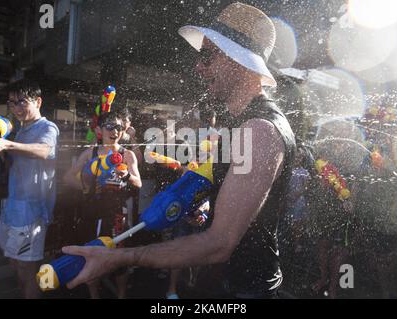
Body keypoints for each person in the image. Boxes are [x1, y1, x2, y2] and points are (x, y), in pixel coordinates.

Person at [62, 2, 296, 298]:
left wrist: (119, 257)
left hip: (245, 291)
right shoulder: (241, 123)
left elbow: (220, 243)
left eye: (208, 56)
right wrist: (208, 207)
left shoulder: (259, 130)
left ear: (240, 62)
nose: (198, 66)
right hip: (226, 285)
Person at [0, 80, 59, 299]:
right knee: (15, 264)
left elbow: (44, 150)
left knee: (27, 271)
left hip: (31, 212)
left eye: (22, 102)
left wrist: (7, 145)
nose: (16, 108)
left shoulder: (47, 127)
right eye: (12, 103)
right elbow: (15, 165)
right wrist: (0, 151)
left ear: (38, 101)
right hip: (13, 207)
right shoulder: (21, 131)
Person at [63, 110, 142, 298]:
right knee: (91, 253)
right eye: (110, 127)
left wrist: (127, 176)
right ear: (99, 130)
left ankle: (121, 295)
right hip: (91, 212)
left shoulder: (127, 154)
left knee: (119, 258)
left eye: (119, 128)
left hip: (117, 214)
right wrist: (86, 187)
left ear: (123, 131)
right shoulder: (91, 152)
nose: (114, 131)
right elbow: (67, 177)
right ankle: (94, 295)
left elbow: (138, 182)